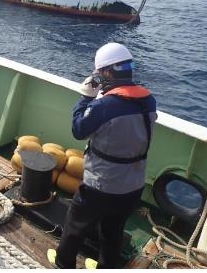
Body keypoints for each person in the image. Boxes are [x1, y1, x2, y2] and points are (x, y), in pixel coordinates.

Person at [53, 42, 157, 269]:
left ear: (108, 72)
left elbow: (79, 130)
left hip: (100, 186)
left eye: (100, 73)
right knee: (113, 232)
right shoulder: (148, 100)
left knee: (75, 225)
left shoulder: (104, 106)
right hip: (133, 186)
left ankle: (63, 264)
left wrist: (85, 98)